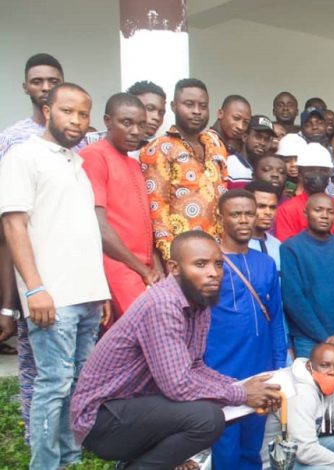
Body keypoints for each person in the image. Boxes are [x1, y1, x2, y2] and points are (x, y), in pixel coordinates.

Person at [71, 231, 282, 470]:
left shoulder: (198, 304)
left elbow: (195, 367)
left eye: (218, 264)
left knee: (229, 408)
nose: (214, 273)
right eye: (200, 264)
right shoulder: (163, 304)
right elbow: (178, 385)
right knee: (209, 418)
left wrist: (243, 389)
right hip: (102, 418)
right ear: (174, 268)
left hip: (136, 410)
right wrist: (241, 393)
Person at [0, 82, 110, 469]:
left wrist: (100, 290)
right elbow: (13, 225)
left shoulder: (75, 163)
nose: (76, 120)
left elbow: (82, 232)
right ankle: (45, 464)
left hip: (86, 296)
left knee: (78, 383)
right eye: (67, 111)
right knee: (54, 384)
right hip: (53, 297)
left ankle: (70, 459)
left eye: (83, 114)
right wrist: (35, 289)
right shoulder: (24, 155)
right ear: (47, 111)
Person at [0, 52, 73, 446]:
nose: (45, 87)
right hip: (35, 277)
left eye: (52, 80)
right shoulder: (12, 140)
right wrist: (9, 303)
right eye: (37, 81)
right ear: (25, 86)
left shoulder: (80, 139)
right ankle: (38, 444)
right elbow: (9, 228)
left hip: (75, 278)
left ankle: (74, 444)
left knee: (74, 367)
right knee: (37, 369)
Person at [204, 189, 287, 470]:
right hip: (221, 374)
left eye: (249, 214)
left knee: (252, 450)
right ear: (221, 218)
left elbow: (275, 318)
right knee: (225, 451)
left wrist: (279, 367)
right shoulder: (209, 264)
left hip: (260, 372)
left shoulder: (266, 263)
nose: (243, 220)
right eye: (236, 214)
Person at [81, 93, 163, 326]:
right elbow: (99, 226)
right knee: (143, 334)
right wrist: (143, 270)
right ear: (107, 121)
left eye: (141, 124)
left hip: (141, 269)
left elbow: (145, 223)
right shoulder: (94, 156)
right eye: (126, 123)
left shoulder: (134, 163)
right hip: (117, 267)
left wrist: (154, 267)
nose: (136, 131)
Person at [280, 193, 334, 407]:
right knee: (311, 400)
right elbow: (294, 299)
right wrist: (325, 339)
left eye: (330, 211)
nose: (324, 215)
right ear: (306, 213)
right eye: (318, 210)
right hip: (309, 337)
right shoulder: (291, 248)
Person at [140, 78, 228, 260]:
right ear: (174, 106)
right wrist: (173, 261)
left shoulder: (216, 146)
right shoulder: (159, 148)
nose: (197, 111)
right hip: (183, 258)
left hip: (217, 254)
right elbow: (157, 212)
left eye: (203, 106)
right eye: (189, 104)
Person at [261, 343, 334, 470]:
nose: (332, 372)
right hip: (277, 463)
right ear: (309, 366)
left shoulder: (324, 385)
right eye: (324, 365)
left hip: (295, 451)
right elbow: (305, 451)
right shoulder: (299, 393)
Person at [275, 142, 334, 244]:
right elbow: (287, 248)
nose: (317, 175)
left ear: (329, 174)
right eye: (311, 170)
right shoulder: (287, 210)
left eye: (322, 170)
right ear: (300, 174)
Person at [209, 95, 252, 188]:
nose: (240, 127)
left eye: (245, 122)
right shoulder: (208, 142)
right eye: (236, 118)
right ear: (220, 114)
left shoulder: (225, 146)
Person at [246, 180, 283, 267]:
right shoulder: (235, 246)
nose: (268, 212)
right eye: (261, 206)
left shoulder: (277, 245)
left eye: (272, 207)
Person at [276, 133, 307, 198]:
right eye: (287, 161)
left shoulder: (311, 183)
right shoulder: (276, 182)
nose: (293, 165)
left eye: (297, 159)